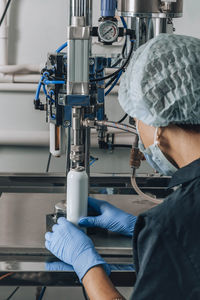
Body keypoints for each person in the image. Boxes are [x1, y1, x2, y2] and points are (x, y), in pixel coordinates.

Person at [45, 34, 200, 300]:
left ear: (158, 120)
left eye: (138, 117)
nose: (138, 130)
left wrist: (88, 267)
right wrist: (139, 229)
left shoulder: (173, 223)